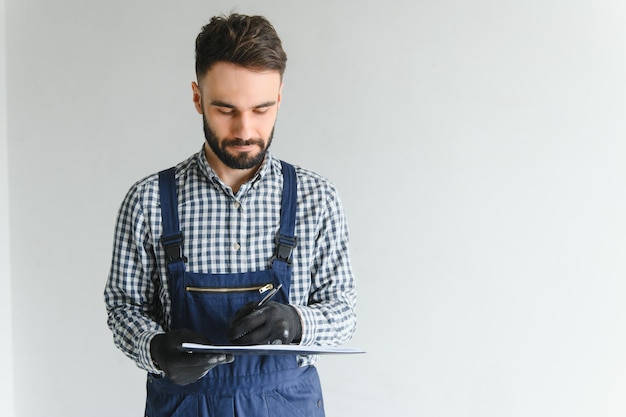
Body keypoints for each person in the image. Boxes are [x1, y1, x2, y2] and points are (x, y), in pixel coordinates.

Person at [104, 13, 357, 417]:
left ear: (280, 97)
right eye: (225, 109)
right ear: (196, 97)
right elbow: (123, 308)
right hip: (184, 405)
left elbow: (343, 310)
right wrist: (155, 348)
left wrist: (294, 321)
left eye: (262, 109)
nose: (245, 129)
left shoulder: (317, 198)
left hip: (286, 403)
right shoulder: (148, 200)